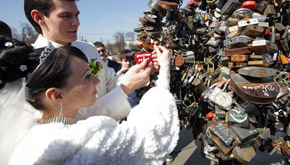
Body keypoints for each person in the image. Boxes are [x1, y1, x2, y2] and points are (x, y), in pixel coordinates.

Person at [0, 38, 179, 164]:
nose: (97, 81)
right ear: (55, 95)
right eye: (87, 77)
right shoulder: (84, 144)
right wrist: (164, 70)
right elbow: (150, 134)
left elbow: (90, 113)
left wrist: (127, 83)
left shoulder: (33, 135)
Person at [24, 0, 151, 121]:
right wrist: (126, 88)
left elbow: (109, 81)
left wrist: (140, 72)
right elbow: (70, 121)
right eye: (66, 16)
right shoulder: (34, 67)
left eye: (77, 15)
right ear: (38, 17)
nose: (76, 23)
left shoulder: (88, 49)